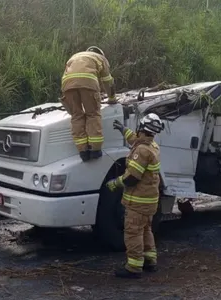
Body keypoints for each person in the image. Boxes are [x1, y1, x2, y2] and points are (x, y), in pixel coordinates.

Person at [107, 113, 164, 279]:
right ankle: (149, 261)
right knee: (146, 229)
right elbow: (136, 140)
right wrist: (123, 130)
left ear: (142, 129)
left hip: (138, 202)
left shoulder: (142, 151)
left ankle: (134, 267)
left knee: (133, 232)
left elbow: (132, 178)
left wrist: (115, 183)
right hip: (150, 201)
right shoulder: (152, 146)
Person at [61, 46, 116, 162]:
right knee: (93, 114)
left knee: (76, 115)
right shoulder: (100, 58)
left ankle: (83, 151)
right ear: (101, 53)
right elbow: (108, 81)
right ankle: (95, 150)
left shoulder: (75, 56)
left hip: (67, 85)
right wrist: (112, 98)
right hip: (88, 83)